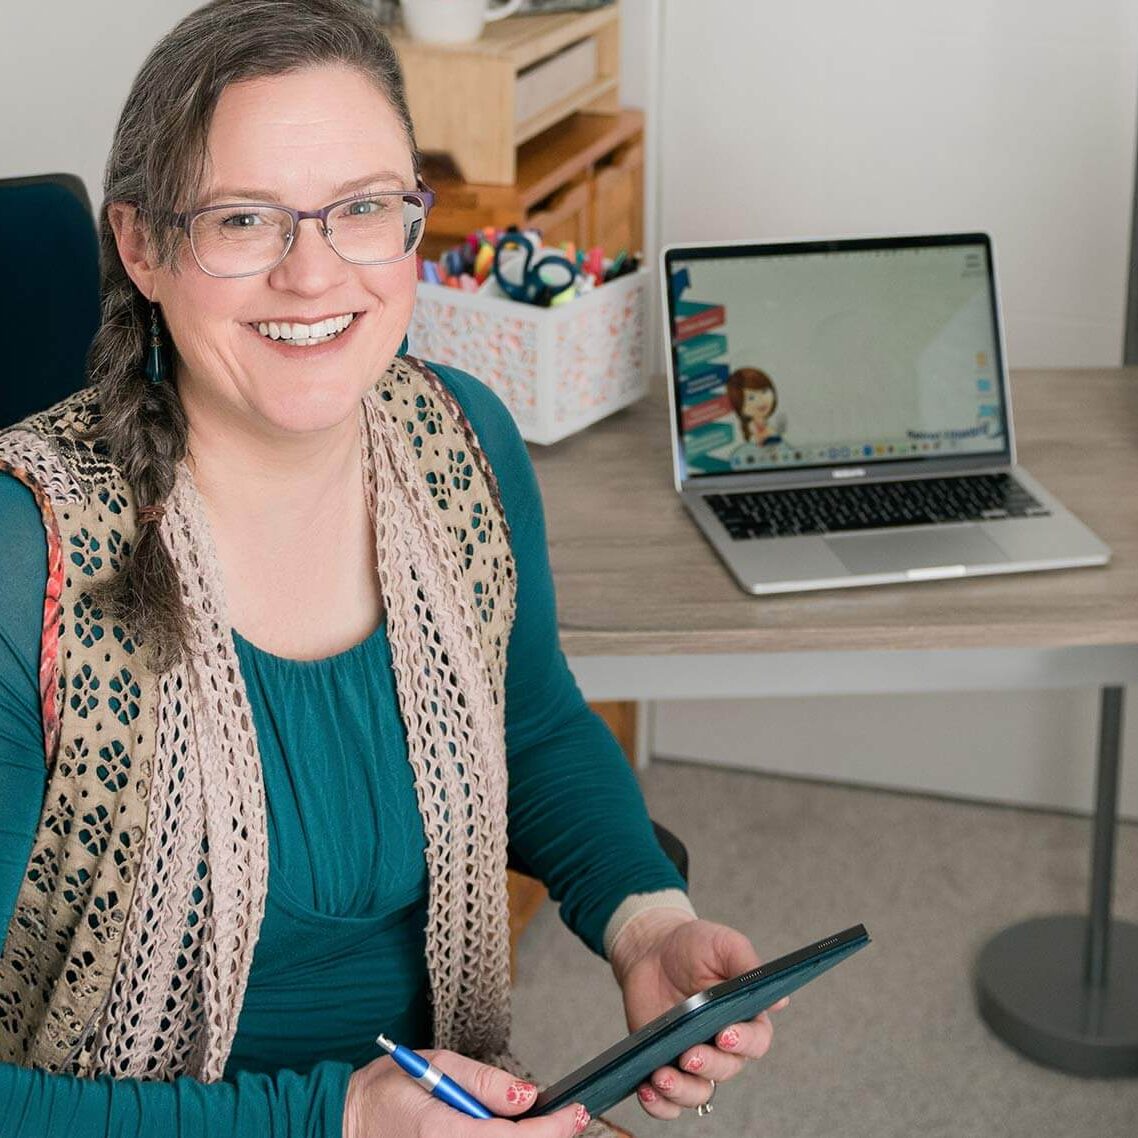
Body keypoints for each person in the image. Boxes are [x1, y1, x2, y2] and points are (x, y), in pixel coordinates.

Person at [0, 2, 783, 1135]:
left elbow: (535, 723)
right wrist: (342, 1120)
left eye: (363, 208)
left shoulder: (462, 442)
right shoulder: (28, 559)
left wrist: (646, 923)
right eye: (244, 218)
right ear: (141, 246)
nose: (314, 274)